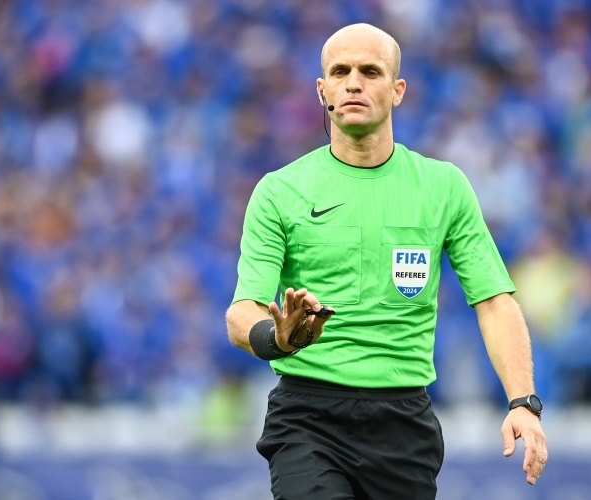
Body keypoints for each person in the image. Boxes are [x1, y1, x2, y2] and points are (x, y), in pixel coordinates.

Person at [225, 23, 548, 499]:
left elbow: (494, 302)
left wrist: (523, 402)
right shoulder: (280, 191)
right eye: (341, 72)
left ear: (397, 90)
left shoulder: (443, 187)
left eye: (370, 72)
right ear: (322, 91)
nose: (353, 83)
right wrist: (277, 337)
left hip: (403, 423)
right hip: (308, 416)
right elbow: (241, 313)